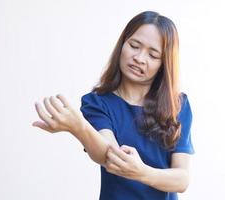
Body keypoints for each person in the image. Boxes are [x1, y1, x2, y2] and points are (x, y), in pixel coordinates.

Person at [32, 11, 194, 200]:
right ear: (122, 45)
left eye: (153, 54)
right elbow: (109, 157)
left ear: (164, 64)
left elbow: (182, 180)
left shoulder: (178, 105)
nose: (140, 58)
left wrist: (143, 172)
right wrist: (79, 127)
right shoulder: (97, 102)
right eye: (134, 46)